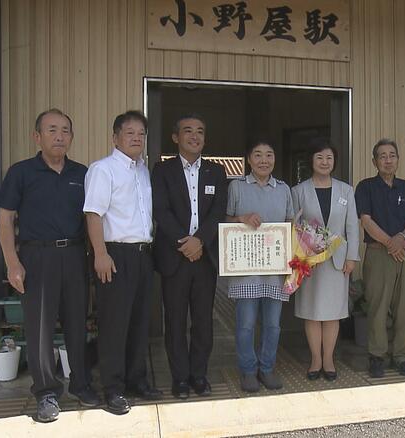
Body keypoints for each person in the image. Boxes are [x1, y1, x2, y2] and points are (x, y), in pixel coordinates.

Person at [0, 108, 99, 423]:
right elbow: (4, 219)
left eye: (65, 130)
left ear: (72, 137)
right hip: (36, 257)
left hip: (74, 255)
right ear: (37, 136)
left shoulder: (82, 174)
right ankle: (46, 393)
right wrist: (12, 263)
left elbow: (93, 218)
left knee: (76, 323)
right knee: (39, 328)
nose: (59, 136)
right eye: (52, 130)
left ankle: (81, 384)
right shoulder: (21, 172)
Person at [84, 110, 161, 415]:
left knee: (140, 323)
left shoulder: (142, 171)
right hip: (115, 255)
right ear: (115, 137)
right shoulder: (103, 170)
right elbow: (93, 214)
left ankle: (136, 379)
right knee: (115, 325)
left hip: (143, 255)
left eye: (141, 134)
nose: (136, 138)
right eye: (129, 133)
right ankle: (112, 388)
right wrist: (100, 254)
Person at [152, 114, 228, 399]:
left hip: (204, 258)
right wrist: (185, 243)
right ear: (176, 137)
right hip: (175, 257)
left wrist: (200, 241)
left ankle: (199, 375)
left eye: (200, 131)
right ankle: (180, 379)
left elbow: (218, 212)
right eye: (188, 131)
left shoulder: (216, 172)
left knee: (203, 323)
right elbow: (160, 210)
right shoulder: (162, 170)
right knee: (174, 322)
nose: (194, 136)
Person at [226, 140, 294, 393]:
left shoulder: (283, 189)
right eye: (258, 155)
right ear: (248, 160)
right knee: (245, 323)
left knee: (273, 324)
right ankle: (247, 370)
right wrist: (241, 218)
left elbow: (290, 224)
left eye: (269, 154)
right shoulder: (237, 187)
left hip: (275, 268)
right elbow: (224, 221)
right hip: (246, 268)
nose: (264, 160)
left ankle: (267, 368)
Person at [291, 141, 360, 382]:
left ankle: (329, 359)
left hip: (338, 261)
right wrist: (303, 252)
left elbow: (352, 225)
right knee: (312, 313)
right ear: (311, 161)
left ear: (334, 161)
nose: (324, 162)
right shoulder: (299, 191)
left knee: (333, 313)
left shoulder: (345, 191)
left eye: (329, 157)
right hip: (310, 262)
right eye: (319, 157)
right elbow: (293, 225)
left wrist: (352, 257)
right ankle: (315, 360)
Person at [354, 139, 405, 379]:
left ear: (398, 159)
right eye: (382, 156)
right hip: (379, 252)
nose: (388, 160)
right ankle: (377, 356)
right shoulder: (366, 187)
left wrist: (401, 238)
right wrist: (389, 243)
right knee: (378, 305)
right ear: (374, 161)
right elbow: (366, 220)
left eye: (392, 155)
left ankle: (402, 356)